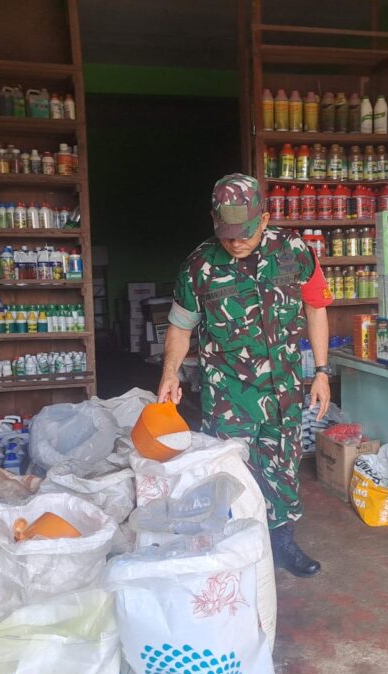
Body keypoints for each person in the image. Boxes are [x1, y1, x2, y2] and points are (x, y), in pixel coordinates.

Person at [157, 173, 333, 578]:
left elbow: (316, 307)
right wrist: (170, 373)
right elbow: (180, 328)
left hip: (284, 390)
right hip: (229, 396)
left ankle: (282, 544)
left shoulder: (294, 251)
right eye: (228, 234)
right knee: (229, 476)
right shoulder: (199, 265)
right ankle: (234, 555)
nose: (236, 242)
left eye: (246, 233)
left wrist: (322, 371)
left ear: (265, 219)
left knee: (283, 469)